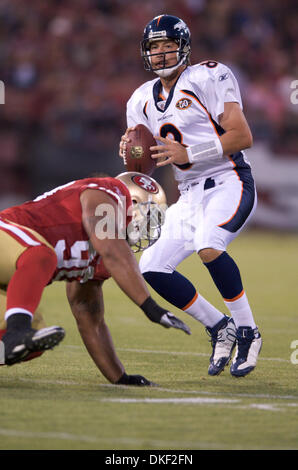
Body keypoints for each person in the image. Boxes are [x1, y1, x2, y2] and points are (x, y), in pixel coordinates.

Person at [119, 14, 262, 377]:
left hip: (229, 180)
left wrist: (189, 153)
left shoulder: (208, 76)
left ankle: (248, 329)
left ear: (183, 47)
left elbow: (242, 136)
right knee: (150, 267)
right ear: (145, 52)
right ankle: (219, 326)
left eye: (169, 45)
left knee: (208, 245)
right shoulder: (140, 100)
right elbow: (145, 159)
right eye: (155, 47)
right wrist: (128, 150)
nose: (162, 53)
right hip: (189, 194)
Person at [0, 173, 190, 385]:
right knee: (41, 256)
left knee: (30, 341)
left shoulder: (99, 255)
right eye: (150, 216)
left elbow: (87, 311)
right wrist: (150, 306)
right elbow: (112, 249)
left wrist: (120, 378)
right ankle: (17, 330)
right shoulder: (108, 191)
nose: (149, 227)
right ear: (133, 203)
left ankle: (16, 333)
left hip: (7, 274)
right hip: (4, 236)